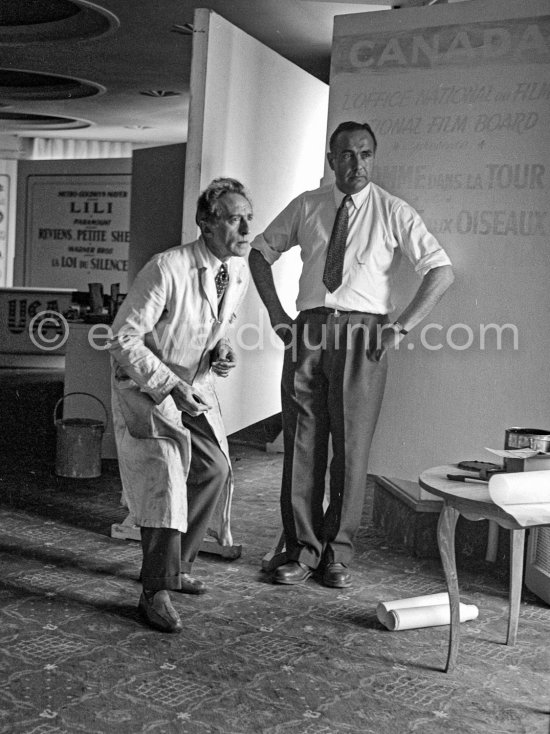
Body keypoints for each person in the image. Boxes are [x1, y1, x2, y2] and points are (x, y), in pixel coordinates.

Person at [249, 121, 454, 589]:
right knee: (302, 442)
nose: (356, 164)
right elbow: (260, 253)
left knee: (351, 449)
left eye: (364, 154)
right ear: (331, 160)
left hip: (365, 335)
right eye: (345, 155)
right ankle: (301, 549)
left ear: (373, 158)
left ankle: (337, 554)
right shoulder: (308, 205)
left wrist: (400, 327)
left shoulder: (392, 211)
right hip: (309, 329)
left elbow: (440, 270)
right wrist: (280, 316)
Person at [109, 177, 252, 632]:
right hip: (147, 390)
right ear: (206, 224)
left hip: (192, 389)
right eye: (234, 218)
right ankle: (154, 591)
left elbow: (211, 325)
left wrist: (220, 349)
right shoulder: (166, 268)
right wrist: (168, 385)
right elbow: (122, 338)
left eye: (248, 217)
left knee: (214, 469)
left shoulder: (237, 271)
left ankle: (179, 565)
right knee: (168, 480)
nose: (246, 227)